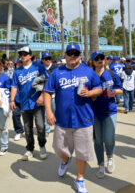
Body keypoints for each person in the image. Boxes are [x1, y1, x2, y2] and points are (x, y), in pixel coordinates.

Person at [44, 44, 102, 193]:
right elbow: (47, 92)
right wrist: (49, 111)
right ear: (65, 55)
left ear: (80, 56)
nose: (72, 56)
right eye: (69, 53)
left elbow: (100, 88)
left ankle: (79, 179)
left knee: (82, 152)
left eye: (75, 54)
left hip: (84, 120)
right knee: (58, 148)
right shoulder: (57, 72)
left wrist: (89, 94)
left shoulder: (88, 71)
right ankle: (65, 160)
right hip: (62, 120)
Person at [88, 51, 123, 179]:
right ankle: (101, 165)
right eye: (96, 58)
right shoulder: (89, 75)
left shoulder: (111, 74)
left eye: (102, 57)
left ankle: (110, 158)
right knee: (98, 140)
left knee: (109, 138)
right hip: (94, 112)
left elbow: (121, 89)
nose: (100, 60)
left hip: (110, 111)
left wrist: (114, 92)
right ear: (92, 61)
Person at [10, 46, 48, 161]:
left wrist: (42, 96)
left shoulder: (38, 67)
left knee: (41, 127)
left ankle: (42, 146)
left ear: (30, 55)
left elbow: (46, 81)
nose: (22, 56)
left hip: (37, 103)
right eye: (21, 54)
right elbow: (14, 86)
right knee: (27, 129)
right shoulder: (17, 71)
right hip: (24, 103)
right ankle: (30, 149)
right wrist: (12, 100)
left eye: (25, 54)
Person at [41, 52, 58, 137]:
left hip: (54, 95)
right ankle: (47, 131)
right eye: (46, 59)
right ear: (42, 60)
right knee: (46, 113)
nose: (48, 60)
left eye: (49, 58)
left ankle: (58, 128)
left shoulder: (56, 68)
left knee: (56, 112)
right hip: (44, 95)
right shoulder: (40, 69)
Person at [12, 58, 24, 141]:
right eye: (18, 63)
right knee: (15, 115)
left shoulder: (28, 72)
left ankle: (28, 131)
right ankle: (19, 131)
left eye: (21, 63)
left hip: (26, 99)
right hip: (17, 100)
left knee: (29, 117)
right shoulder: (14, 73)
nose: (19, 64)